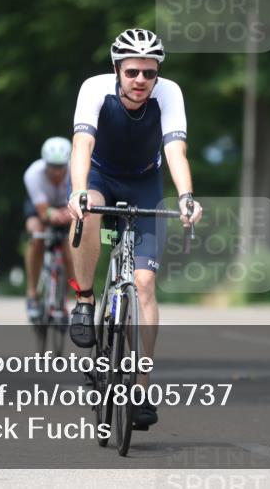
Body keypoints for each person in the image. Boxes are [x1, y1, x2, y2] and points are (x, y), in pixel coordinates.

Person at [66, 27, 203, 429]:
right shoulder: (94, 89)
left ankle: (141, 387)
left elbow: (175, 150)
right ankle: (86, 300)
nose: (141, 80)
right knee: (87, 212)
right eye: (132, 72)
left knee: (144, 283)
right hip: (100, 176)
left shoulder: (170, 94)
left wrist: (186, 197)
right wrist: (78, 191)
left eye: (149, 72)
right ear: (117, 70)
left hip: (145, 182)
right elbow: (81, 146)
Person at [22, 136, 73, 322]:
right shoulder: (33, 174)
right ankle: (32, 293)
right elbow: (43, 212)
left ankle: (64, 298)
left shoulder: (76, 171)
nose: (57, 172)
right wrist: (56, 215)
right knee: (36, 237)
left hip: (67, 208)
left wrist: (67, 214)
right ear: (45, 163)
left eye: (61, 167)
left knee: (73, 249)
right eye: (52, 166)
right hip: (40, 207)